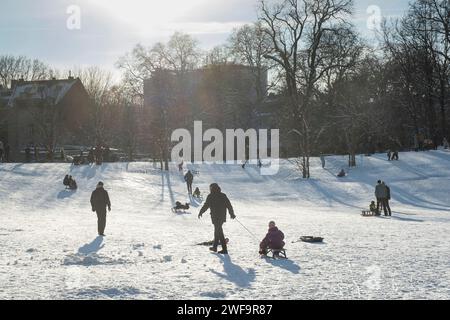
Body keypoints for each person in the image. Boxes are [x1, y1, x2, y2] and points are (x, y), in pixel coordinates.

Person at [198, 183, 236, 255]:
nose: (210, 189)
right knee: (217, 231)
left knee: (219, 232)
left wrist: (201, 212)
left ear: (212, 188)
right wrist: (231, 213)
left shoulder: (211, 196)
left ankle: (224, 249)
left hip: (215, 217)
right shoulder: (223, 195)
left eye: (210, 188)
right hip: (221, 217)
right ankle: (215, 247)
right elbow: (229, 205)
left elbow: (206, 205)